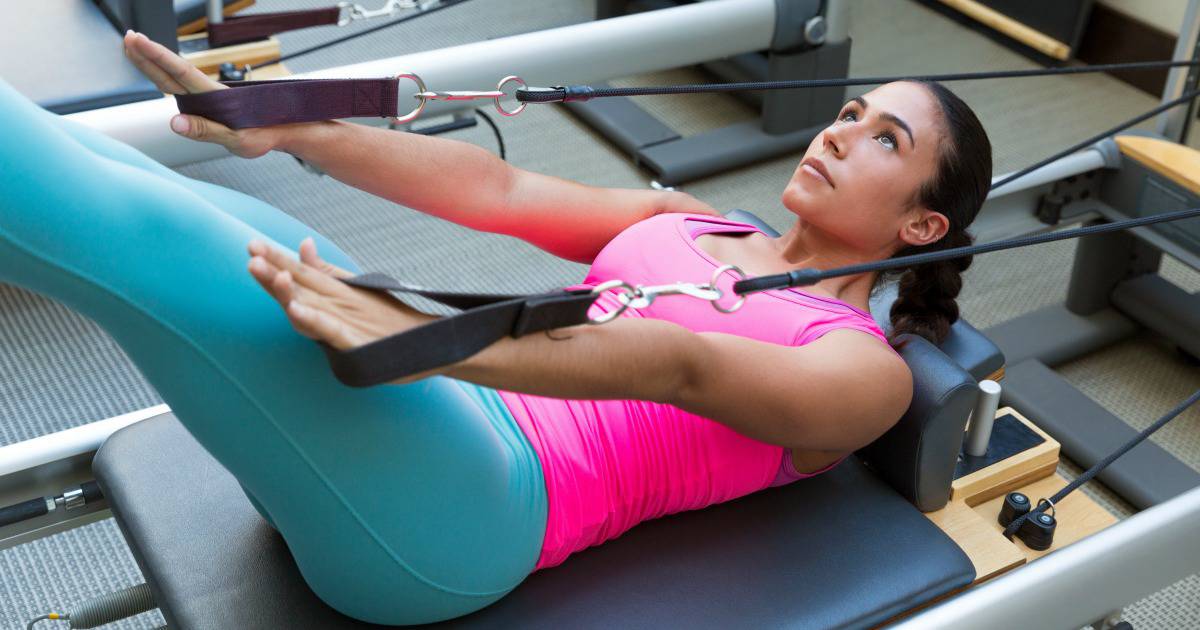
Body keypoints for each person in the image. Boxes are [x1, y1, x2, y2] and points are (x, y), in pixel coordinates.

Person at [0, 30, 989, 625]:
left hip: (479, 517)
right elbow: (503, 188)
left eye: (883, 141)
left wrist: (428, 335)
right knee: (152, 190)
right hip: (437, 413)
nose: (838, 134)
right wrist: (293, 128)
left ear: (921, 225)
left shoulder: (863, 369)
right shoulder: (695, 222)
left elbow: (681, 364)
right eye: (851, 113)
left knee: (162, 238)